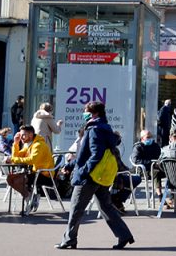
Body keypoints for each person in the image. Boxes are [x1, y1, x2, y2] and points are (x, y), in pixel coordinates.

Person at [56, 101, 134, 250]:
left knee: (76, 208)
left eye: (86, 111)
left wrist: (83, 171)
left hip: (90, 176)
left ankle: (69, 240)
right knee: (106, 207)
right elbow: (90, 154)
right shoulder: (105, 128)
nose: (84, 114)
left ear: (94, 113)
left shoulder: (94, 129)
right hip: (101, 175)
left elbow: (95, 154)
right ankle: (124, 235)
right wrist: (72, 165)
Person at [5, 125, 56, 215]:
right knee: (10, 178)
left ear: (30, 134)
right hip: (34, 172)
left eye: (23, 135)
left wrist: (13, 159)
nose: (21, 137)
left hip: (44, 174)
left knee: (18, 181)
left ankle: (28, 197)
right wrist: (16, 143)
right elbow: (17, 156)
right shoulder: (28, 144)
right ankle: (29, 196)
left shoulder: (38, 144)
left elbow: (32, 160)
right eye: (20, 135)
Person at [130, 130, 164, 202]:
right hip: (143, 170)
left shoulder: (155, 146)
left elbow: (160, 156)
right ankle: (160, 196)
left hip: (155, 168)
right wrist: (151, 163)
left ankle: (173, 198)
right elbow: (135, 160)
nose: (150, 138)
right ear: (142, 138)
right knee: (156, 173)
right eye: (148, 137)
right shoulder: (138, 147)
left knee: (170, 172)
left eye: (151, 137)